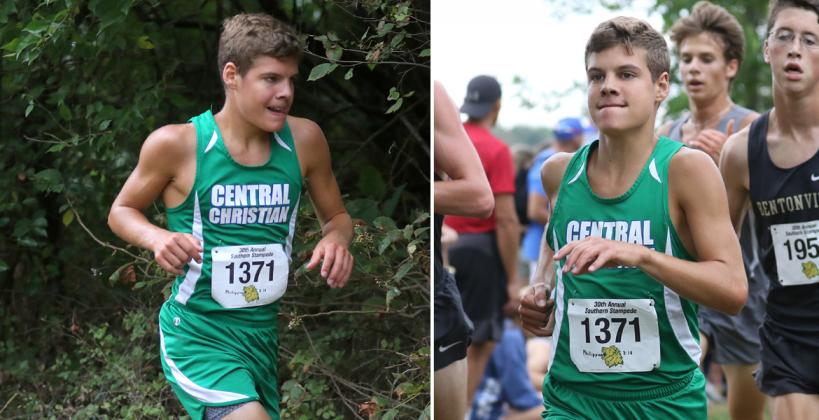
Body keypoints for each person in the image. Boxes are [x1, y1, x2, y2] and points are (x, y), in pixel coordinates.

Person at [107, 14, 354, 420]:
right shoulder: (178, 144)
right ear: (232, 75)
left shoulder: (306, 140)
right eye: (271, 79)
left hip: (260, 335)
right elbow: (121, 210)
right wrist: (156, 238)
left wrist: (336, 239)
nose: (286, 92)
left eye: (291, 80)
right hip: (197, 334)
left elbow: (338, 217)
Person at [518, 16, 747, 418]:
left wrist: (641, 255)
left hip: (663, 402)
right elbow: (550, 263)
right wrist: (538, 294)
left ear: (661, 86)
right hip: (572, 400)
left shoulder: (686, 170)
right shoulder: (559, 173)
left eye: (626, 74)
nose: (608, 86)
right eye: (596, 76)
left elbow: (732, 290)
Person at [657, 2, 767, 418]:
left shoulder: (752, 128)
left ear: (732, 66)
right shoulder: (665, 133)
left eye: (706, 59)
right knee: (670, 393)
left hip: (745, 286)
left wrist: (732, 163)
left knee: (745, 413)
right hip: (682, 282)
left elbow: (779, 211)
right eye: (686, 59)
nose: (694, 69)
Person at [720, 1, 819, 418]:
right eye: (784, 36)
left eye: (810, 40)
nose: (795, 49)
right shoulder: (741, 152)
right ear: (766, 49)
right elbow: (714, 250)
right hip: (790, 334)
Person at [445, 75, 523, 404]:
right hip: (480, 251)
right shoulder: (497, 149)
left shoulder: (449, 140)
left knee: (447, 340)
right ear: (497, 106)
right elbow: (504, 219)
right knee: (479, 342)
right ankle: (460, 411)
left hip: (446, 246)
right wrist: (513, 279)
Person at [433, 81, 494, 420]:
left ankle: (479, 408)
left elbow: (485, 199)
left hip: (459, 263)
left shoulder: (435, 96)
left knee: (489, 337)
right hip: (469, 250)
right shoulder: (495, 145)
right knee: (487, 338)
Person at [521, 118, 586, 280]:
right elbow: (535, 210)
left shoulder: (564, 159)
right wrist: (573, 229)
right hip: (541, 252)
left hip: (559, 251)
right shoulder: (549, 162)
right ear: (577, 137)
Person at [469, 319, 544, 420]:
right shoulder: (510, 335)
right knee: (560, 409)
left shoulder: (495, 326)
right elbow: (523, 399)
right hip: (487, 414)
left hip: (476, 408)